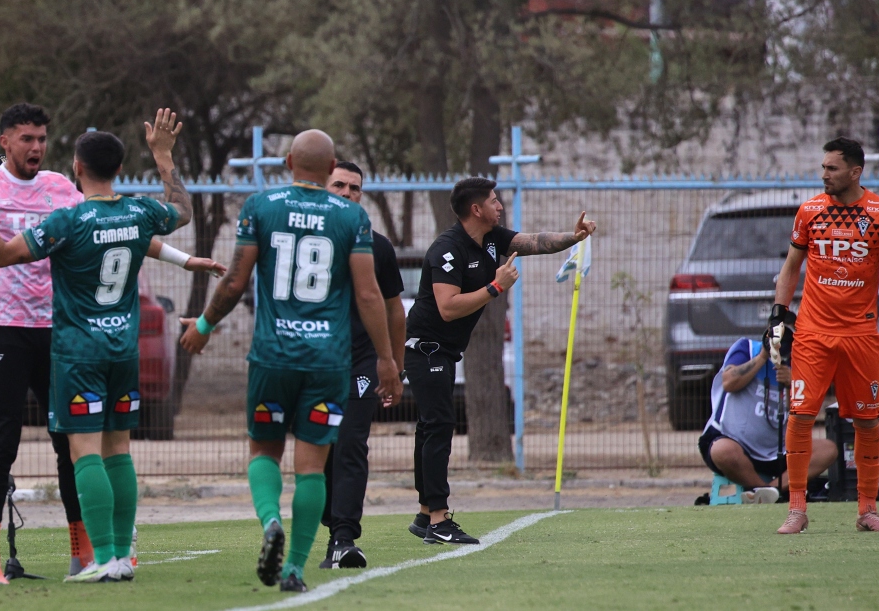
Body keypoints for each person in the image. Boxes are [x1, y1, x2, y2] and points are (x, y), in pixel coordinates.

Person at [0, 104, 210, 583]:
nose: (36, 147)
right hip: (1, 330)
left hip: (57, 332)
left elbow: (110, 227)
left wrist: (183, 260)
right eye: (26, 138)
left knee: (70, 444)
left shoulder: (60, 189)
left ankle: (83, 552)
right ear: (5, 141)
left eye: (42, 138)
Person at [179, 130, 402, 593]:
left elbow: (235, 280)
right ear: (332, 165)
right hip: (327, 361)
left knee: (263, 450)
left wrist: (202, 325)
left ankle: (270, 522)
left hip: (272, 357)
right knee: (311, 464)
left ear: (287, 162)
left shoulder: (261, 206)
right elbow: (367, 293)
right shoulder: (352, 216)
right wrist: (386, 359)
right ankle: (296, 569)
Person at [405, 177, 595, 544]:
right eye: (493, 201)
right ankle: (439, 520)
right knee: (438, 426)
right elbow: (446, 308)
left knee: (431, 428)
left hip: (443, 351)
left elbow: (536, 242)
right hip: (425, 348)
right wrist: (495, 287)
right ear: (475, 209)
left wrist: (574, 237)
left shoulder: (491, 238)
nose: (499, 206)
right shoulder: (447, 248)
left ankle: (427, 514)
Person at [768, 136, 879, 534]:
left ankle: (867, 510)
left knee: (868, 422)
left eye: (831, 168)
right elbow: (790, 268)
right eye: (823, 167)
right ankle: (797, 508)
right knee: (801, 415)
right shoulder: (809, 212)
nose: (824, 175)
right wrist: (777, 315)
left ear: (855, 172)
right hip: (813, 334)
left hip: (860, 336)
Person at [319, 161, 406, 570]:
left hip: (360, 362)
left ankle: (343, 538)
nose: (348, 193)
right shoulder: (306, 238)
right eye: (339, 185)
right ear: (322, 187)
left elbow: (393, 309)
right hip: (311, 360)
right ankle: (331, 516)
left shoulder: (378, 246)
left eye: (355, 188)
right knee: (319, 450)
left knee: (351, 443)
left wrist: (394, 366)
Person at [700, 337, 837, 504]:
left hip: (778, 451)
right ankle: (764, 491)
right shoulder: (747, 348)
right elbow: (729, 382)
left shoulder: (801, 363)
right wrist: (762, 356)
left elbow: (803, 417)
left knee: (828, 450)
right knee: (722, 451)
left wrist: (792, 384)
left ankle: (771, 492)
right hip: (735, 443)